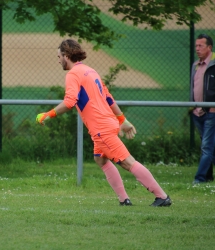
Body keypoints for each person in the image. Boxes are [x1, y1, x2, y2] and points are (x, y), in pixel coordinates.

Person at [36, 39, 171, 207]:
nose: (58, 60)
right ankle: (124, 200)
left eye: (59, 56)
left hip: (101, 128)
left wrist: (47, 115)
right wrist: (122, 119)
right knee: (100, 159)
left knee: (127, 162)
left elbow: (70, 101)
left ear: (67, 55)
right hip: (108, 123)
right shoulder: (90, 71)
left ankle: (161, 196)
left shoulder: (72, 74)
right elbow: (107, 96)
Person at [190, 33, 215, 184]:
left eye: (201, 46)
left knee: (206, 146)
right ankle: (208, 176)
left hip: (211, 111)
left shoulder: (213, 64)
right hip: (197, 112)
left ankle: (199, 179)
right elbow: (194, 87)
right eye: (196, 46)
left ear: (209, 47)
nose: (197, 49)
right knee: (209, 146)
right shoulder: (195, 65)